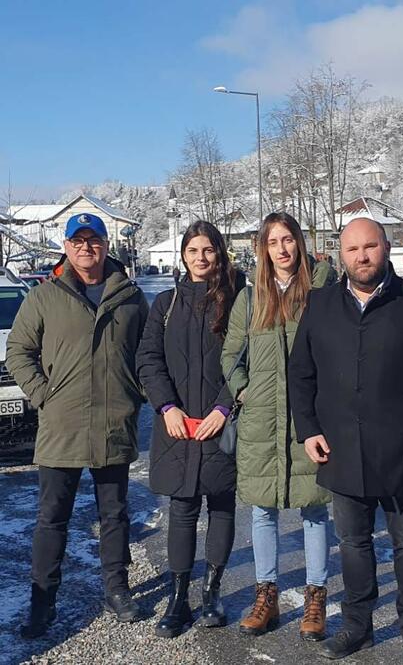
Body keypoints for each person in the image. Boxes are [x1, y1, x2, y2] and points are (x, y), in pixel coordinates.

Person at [289, 217, 403, 664]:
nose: (362, 256)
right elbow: (300, 373)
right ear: (341, 254)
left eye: (370, 246)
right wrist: (308, 429)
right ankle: (357, 627)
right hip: (342, 446)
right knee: (353, 544)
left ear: (386, 247)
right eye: (352, 249)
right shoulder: (320, 304)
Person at [7, 213, 149, 638]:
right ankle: (43, 601)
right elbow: (18, 351)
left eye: (94, 239)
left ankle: (117, 589)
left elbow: (148, 354)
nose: (86, 247)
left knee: (114, 513)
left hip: (113, 421)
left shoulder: (130, 298)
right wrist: (43, 395)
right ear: (66, 247)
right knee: (52, 517)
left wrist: (136, 393)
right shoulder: (44, 296)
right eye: (78, 240)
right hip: (62, 425)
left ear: (106, 245)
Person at [221, 212, 334, 640]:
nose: (282, 249)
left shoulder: (321, 292)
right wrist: (244, 391)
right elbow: (231, 354)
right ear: (262, 250)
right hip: (261, 421)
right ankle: (265, 595)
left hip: (310, 418)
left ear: (299, 243)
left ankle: (315, 598)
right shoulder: (250, 298)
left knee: (314, 508)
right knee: (262, 510)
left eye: (288, 240)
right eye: (273, 242)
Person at [136, 221, 244, 638]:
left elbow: (245, 358)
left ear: (219, 254)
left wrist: (224, 406)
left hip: (221, 423)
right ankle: (178, 598)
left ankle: (212, 593)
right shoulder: (166, 304)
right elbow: (148, 358)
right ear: (183, 256)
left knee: (222, 506)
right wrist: (166, 407)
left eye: (208, 250)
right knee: (182, 510)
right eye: (193, 250)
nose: (201, 258)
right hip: (177, 426)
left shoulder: (236, 300)